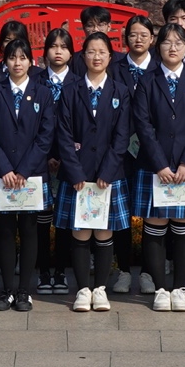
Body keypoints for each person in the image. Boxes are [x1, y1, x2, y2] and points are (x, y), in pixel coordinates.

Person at [130, 23, 185, 312]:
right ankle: (161, 289)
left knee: (184, 226)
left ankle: (179, 288)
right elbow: (143, 125)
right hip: (156, 166)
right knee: (155, 226)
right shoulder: (147, 81)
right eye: (167, 42)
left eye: (179, 43)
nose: (173, 48)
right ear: (158, 47)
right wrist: (160, 164)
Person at [0, 36, 57, 311]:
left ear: (31, 61)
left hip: (30, 175)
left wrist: (23, 170)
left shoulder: (43, 93)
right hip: (2, 175)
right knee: (5, 231)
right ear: (5, 62)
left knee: (30, 230)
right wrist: (5, 169)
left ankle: (25, 291)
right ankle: (7, 290)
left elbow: (46, 136)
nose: (17, 63)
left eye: (23, 57)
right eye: (12, 57)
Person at [55, 32, 132, 312]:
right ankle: (82, 289)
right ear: (83, 56)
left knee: (103, 233)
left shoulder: (121, 91)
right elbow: (63, 134)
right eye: (91, 51)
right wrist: (75, 172)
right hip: (78, 174)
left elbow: (122, 137)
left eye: (102, 52)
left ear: (110, 57)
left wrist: (108, 172)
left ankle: (100, 289)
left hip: (108, 176)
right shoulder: (70, 90)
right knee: (80, 232)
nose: (96, 57)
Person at [110, 16, 157, 294]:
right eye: (133, 35)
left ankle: (150, 271)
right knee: (122, 213)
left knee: (154, 213)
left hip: (155, 152)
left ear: (152, 39)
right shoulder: (114, 68)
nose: (138, 39)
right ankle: (124, 269)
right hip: (121, 150)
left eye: (144, 35)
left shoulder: (161, 68)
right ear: (125, 38)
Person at [40, 27, 77, 294]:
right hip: (38, 161)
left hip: (69, 161)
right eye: (53, 46)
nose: (58, 51)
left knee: (63, 221)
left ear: (72, 53)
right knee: (40, 220)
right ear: (45, 52)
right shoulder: (34, 80)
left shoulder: (79, 83)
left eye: (64, 47)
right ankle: (43, 271)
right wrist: (45, 156)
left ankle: (62, 271)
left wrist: (66, 157)